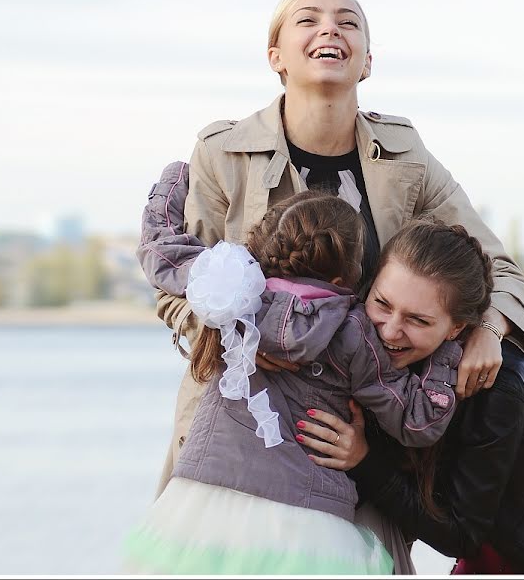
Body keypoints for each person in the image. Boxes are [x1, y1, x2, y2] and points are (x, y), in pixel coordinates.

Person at [125, 191, 468, 574]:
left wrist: (173, 183)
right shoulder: (353, 333)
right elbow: (417, 421)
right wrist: (451, 350)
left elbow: (161, 250)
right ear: (348, 278)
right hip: (307, 519)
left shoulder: (234, 295)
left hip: (206, 502)